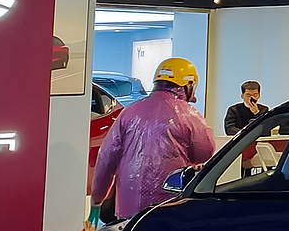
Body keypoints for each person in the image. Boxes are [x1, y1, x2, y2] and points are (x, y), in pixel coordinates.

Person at [91, 57, 217, 222]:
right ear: (188, 85)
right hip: (170, 205)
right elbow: (204, 153)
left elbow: (106, 158)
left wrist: (97, 198)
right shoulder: (190, 115)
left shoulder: (129, 112)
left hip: (129, 205)